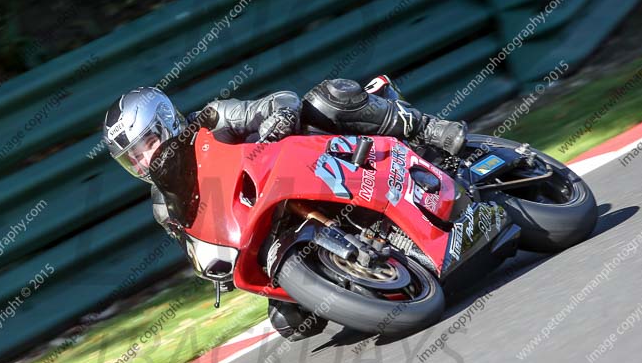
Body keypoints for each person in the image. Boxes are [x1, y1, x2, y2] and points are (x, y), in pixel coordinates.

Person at [102, 76, 467, 340]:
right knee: (290, 323)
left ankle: (430, 128)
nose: (144, 161)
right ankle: (369, 273)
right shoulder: (165, 207)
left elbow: (280, 101)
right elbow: (202, 255)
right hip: (269, 234)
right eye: (132, 159)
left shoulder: (211, 120)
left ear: (167, 122)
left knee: (329, 97)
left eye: (147, 144)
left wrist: (277, 119)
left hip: (317, 166)